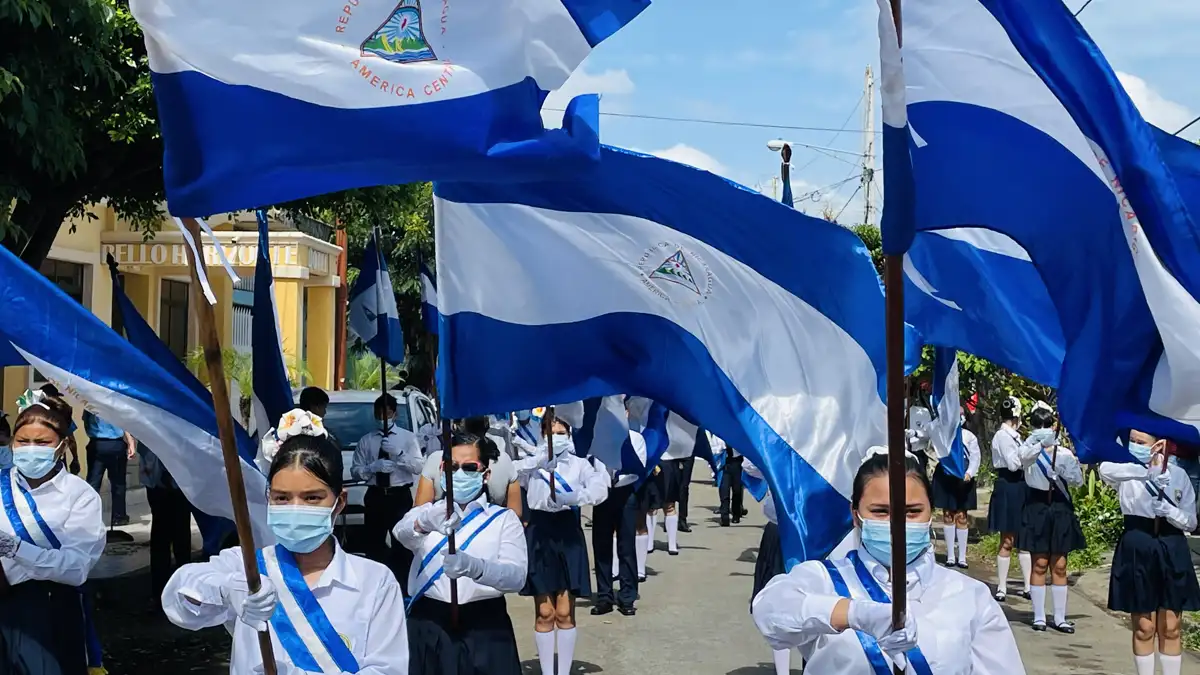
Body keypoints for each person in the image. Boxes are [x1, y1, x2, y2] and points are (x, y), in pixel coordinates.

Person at [162, 409, 408, 674]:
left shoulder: (375, 582)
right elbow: (179, 599)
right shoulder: (247, 567)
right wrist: (226, 590)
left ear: (340, 503)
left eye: (312, 498)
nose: (295, 508)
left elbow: (387, 669)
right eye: (282, 498)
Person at [752, 448, 1025, 674]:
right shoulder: (825, 578)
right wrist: (855, 614)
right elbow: (770, 613)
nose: (896, 524)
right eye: (881, 512)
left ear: (932, 512)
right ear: (856, 514)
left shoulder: (970, 596)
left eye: (912, 511)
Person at [394, 430, 527, 675]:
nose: (459, 474)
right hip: (429, 621)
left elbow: (516, 577)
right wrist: (423, 522)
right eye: (452, 467)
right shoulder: (428, 512)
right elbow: (400, 534)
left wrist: (476, 567)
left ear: (485, 474)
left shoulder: (503, 519)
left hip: (485, 625)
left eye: (469, 467)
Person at [0, 396, 107, 675]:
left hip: (50, 608)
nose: (31, 449)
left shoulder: (80, 495)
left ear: (61, 446)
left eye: (43, 442)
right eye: (23, 441)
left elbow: (75, 568)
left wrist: (13, 547)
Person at [514, 418, 608, 675]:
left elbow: (600, 488)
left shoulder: (579, 464)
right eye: (551, 433)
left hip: (567, 530)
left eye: (562, 432)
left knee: (565, 612)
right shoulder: (533, 464)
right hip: (539, 531)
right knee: (545, 612)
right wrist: (540, 458)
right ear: (543, 436)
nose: (557, 438)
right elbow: (512, 473)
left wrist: (576, 496)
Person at [1100, 431, 1199, 675]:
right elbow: (1105, 470)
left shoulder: (1179, 475)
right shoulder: (1126, 470)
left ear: (1160, 444)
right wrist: (1145, 472)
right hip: (1138, 543)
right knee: (1144, 626)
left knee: (1171, 626)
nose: (1134, 446)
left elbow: (1191, 521)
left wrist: (1170, 512)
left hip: (1171, 544)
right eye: (1132, 441)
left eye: (1140, 442)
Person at [1016, 401, 1085, 633]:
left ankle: (1060, 617)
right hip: (1036, 506)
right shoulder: (1028, 450)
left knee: (1060, 564)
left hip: (1059, 507)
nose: (1043, 429)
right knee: (1039, 563)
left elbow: (1078, 481)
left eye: (1046, 425)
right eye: (1038, 426)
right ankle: (1038, 617)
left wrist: (1065, 469)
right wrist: (1038, 445)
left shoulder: (1063, 453)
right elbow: (1021, 460)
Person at [351, 394, 424, 585]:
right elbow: (356, 471)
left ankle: (404, 584)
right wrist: (371, 468)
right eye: (378, 413)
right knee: (374, 543)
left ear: (394, 413)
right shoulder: (367, 440)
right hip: (376, 495)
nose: (382, 417)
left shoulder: (407, 438)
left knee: (402, 543)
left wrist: (399, 454)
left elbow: (418, 467)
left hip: (399, 496)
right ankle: (376, 584)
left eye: (386, 412)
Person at [415, 417, 522, 519]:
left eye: (470, 467)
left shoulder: (435, 459)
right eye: (453, 467)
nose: (460, 472)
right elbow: (515, 514)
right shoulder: (504, 460)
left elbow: (419, 513)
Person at [745, 460, 795, 675]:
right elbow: (750, 465)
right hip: (779, 529)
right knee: (779, 603)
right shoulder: (776, 449)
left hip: (815, 535)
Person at [589, 427, 643, 617]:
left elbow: (639, 467)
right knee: (601, 546)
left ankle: (627, 596)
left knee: (626, 547)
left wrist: (619, 479)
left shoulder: (635, 438)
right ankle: (604, 596)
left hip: (625, 493)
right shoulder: (597, 438)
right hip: (602, 494)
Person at [987, 396, 1033, 601]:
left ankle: (1027, 586)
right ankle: (1003, 586)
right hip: (1009, 485)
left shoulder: (1016, 436)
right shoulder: (1003, 437)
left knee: (1024, 538)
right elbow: (1014, 464)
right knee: (1007, 538)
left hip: (1021, 486)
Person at [140, 442, 194, 598]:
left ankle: (185, 589)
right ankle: (159, 593)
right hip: (157, 484)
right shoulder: (150, 424)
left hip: (179, 486)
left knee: (181, 538)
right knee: (160, 539)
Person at [931, 407, 981, 569]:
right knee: (948, 514)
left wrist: (969, 473)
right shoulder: (943, 436)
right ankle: (950, 555)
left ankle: (962, 556)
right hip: (946, 477)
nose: (959, 418)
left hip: (963, 478)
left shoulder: (969, 437)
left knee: (961, 515)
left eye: (961, 415)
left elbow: (975, 457)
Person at [83, 408, 138, 527]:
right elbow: (125, 425)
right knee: (118, 482)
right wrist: (131, 442)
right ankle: (119, 517)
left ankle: (89, 516)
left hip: (96, 444)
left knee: (93, 482)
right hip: (115, 444)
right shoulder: (113, 406)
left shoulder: (88, 405)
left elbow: (86, 424)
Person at [719, 439, 746, 527]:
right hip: (725, 464)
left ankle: (736, 514)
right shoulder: (719, 435)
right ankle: (724, 517)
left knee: (737, 490)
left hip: (737, 463)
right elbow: (714, 449)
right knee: (724, 490)